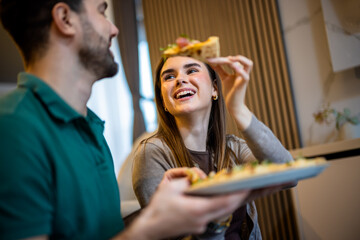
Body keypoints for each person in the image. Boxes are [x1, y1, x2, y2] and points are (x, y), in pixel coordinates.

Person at [0, 1, 250, 239]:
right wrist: (151, 228)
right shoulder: (13, 130)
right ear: (65, 19)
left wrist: (155, 215)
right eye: (101, 11)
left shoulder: (91, 129)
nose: (114, 29)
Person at [132, 55, 295, 239]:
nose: (180, 79)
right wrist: (216, 221)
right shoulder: (152, 153)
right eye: (169, 77)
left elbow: (287, 176)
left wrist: (238, 109)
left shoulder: (233, 147)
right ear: (163, 101)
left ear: (214, 89)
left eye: (192, 70)